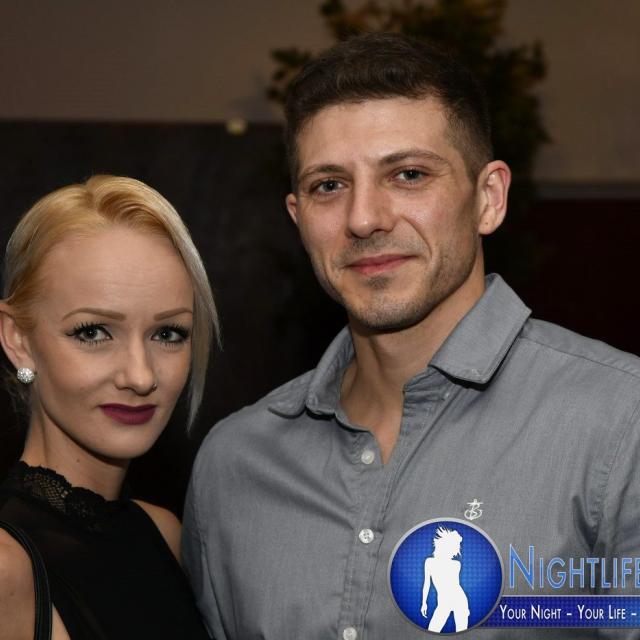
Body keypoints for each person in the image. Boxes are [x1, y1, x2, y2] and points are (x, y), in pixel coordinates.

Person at [182, 33, 640, 639]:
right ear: (298, 218)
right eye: (329, 185)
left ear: (488, 198)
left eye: (408, 174)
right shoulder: (235, 465)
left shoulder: (620, 423)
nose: (364, 218)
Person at [0, 175, 218, 639]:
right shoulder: (5, 567)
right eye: (93, 332)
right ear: (19, 340)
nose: (140, 376)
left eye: (168, 333)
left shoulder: (163, 532)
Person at [421, 527, 469, 632]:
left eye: (456, 547)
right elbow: (426, 584)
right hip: (443, 602)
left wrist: (465, 608)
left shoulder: (456, 564)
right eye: (455, 546)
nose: (456, 551)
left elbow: (456, 585)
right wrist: (424, 603)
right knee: (432, 630)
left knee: (462, 633)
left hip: (459, 600)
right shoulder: (429, 562)